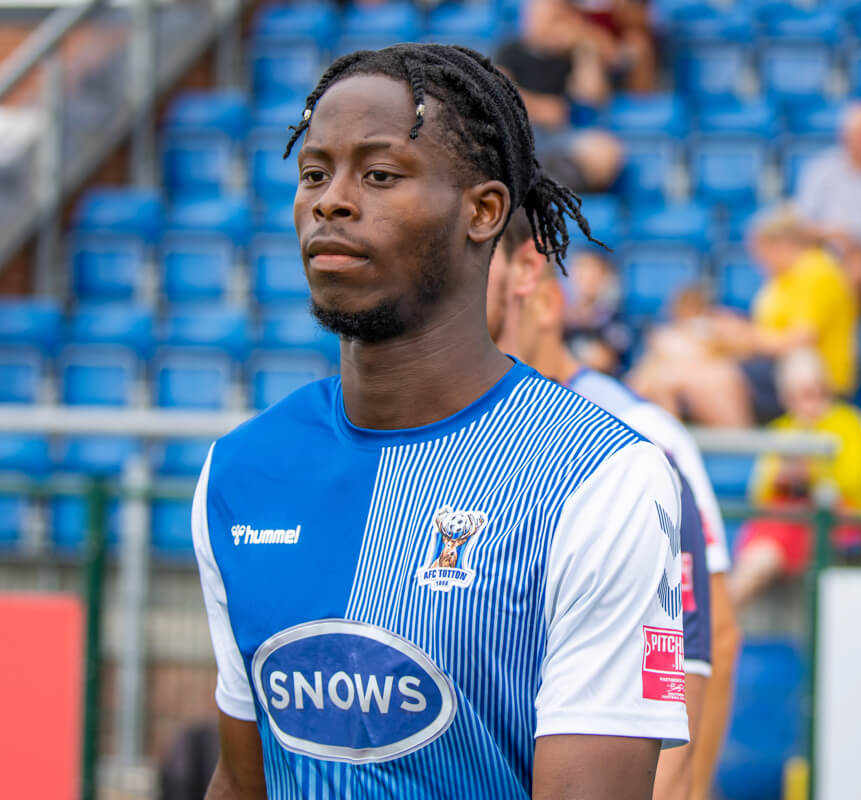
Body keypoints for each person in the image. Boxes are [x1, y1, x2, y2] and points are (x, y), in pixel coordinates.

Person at [193, 44, 689, 799]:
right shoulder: (241, 472)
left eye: (380, 174)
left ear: (483, 212)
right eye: (314, 173)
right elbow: (243, 779)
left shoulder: (600, 478)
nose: (331, 200)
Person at [487, 211, 742, 800]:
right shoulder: (458, 433)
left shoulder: (640, 433)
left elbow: (710, 635)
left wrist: (686, 787)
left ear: (544, 301)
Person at [629, 208, 859, 426]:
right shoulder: (781, 281)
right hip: (773, 365)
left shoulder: (816, 272)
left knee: (706, 376)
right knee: (665, 367)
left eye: (759, 250)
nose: (757, 260)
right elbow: (767, 333)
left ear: (779, 245)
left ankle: (739, 451)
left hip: (808, 377)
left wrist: (741, 336)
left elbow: (801, 339)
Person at [730, 348, 861, 607]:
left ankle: (722, 613)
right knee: (763, 543)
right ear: (787, 396)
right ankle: (723, 612)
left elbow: (856, 484)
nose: (809, 402)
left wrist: (812, 474)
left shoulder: (850, 423)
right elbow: (759, 493)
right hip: (783, 519)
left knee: (764, 553)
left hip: (832, 521)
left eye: (815, 391)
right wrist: (782, 478)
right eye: (799, 395)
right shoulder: (782, 429)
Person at [495, 0, 624, 192]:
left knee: (606, 151)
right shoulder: (510, 51)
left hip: (562, 136)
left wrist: (584, 48)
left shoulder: (569, 54)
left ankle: (553, 192)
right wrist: (539, 108)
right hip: (523, 132)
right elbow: (498, 95)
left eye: (551, 18)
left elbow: (592, 97)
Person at [796, 101, 861, 302]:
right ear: (846, 137)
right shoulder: (821, 170)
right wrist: (833, 234)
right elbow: (802, 225)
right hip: (825, 250)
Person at [561, 247, 634, 375]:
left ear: (604, 275)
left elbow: (603, 361)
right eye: (579, 270)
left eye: (591, 271)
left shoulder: (615, 316)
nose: (584, 278)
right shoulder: (561, 316)